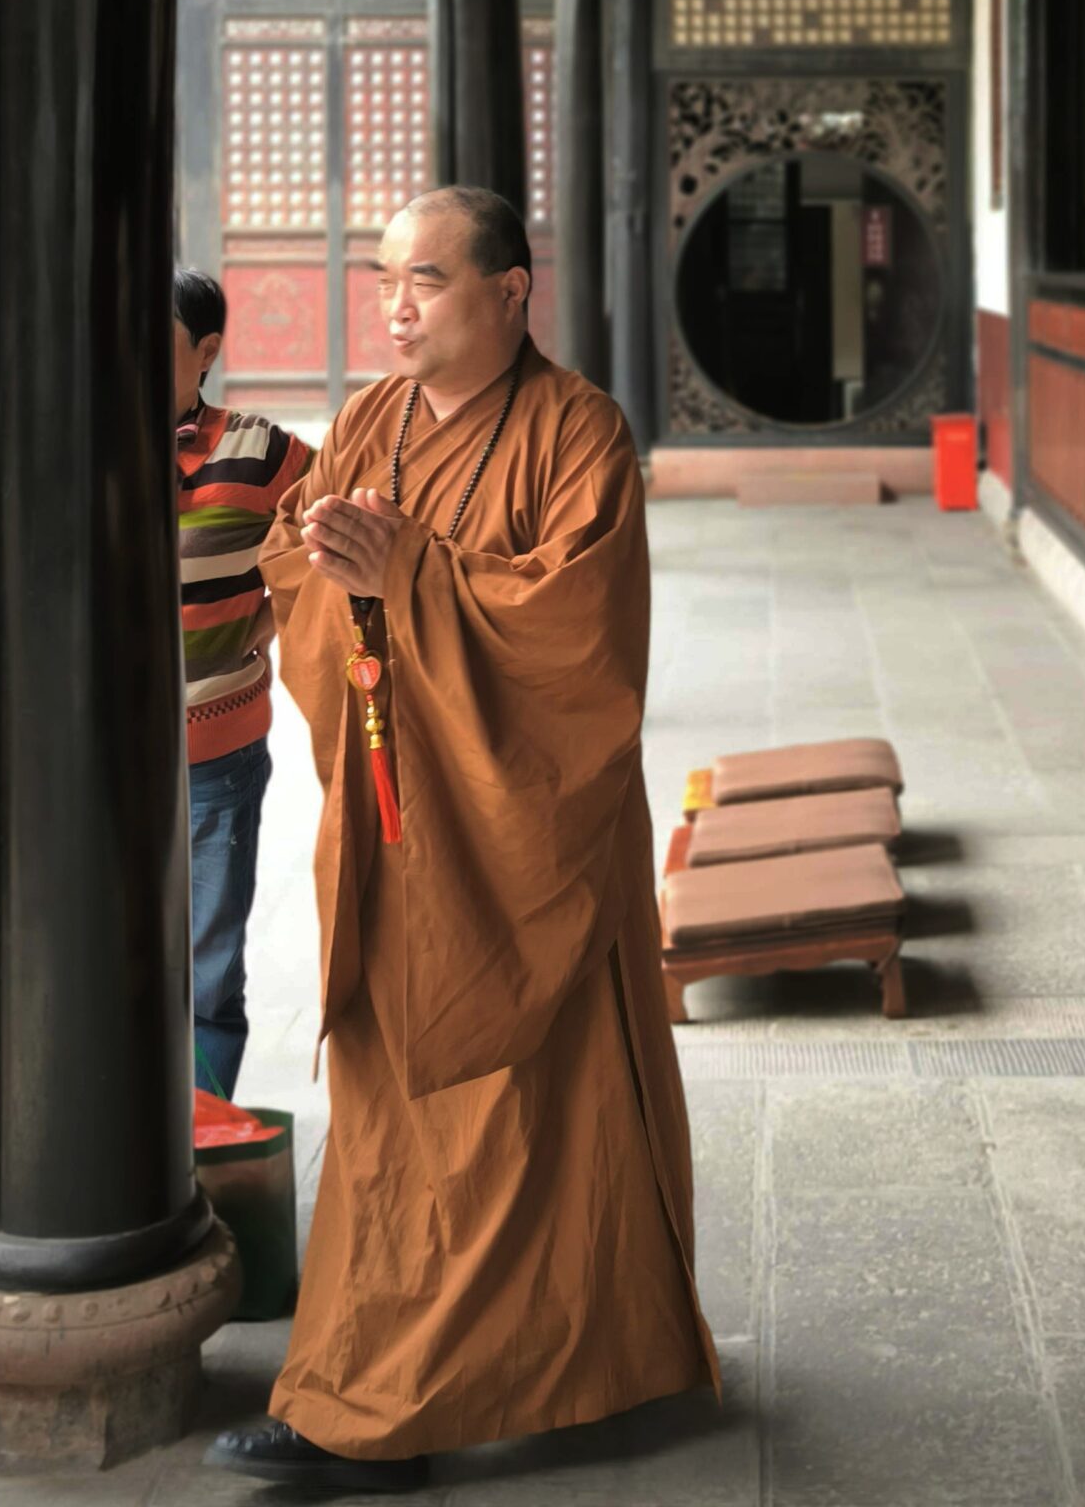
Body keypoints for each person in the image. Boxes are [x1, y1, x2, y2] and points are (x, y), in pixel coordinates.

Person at [207, 187, 716, 1492]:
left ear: (510, 292)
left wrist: (411, 579)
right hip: (398, 830)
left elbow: (582, 645)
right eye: (386, 280)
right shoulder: (371, 419)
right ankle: (410, 1374)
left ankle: (386, 1418)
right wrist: (322, 561)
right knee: (397, 1115)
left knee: (548, 1117)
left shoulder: (577, 432)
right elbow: (296, 567)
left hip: (536, 831)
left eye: (426, 280)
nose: (395, 305)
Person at [176, 268, 312, 1101]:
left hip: (215, 752)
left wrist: (277, 611)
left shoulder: (257, 448)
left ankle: (202, 1137)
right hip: (90, 765)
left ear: (206, 351)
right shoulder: (74, 443)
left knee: (207, 965)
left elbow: (332, 522)